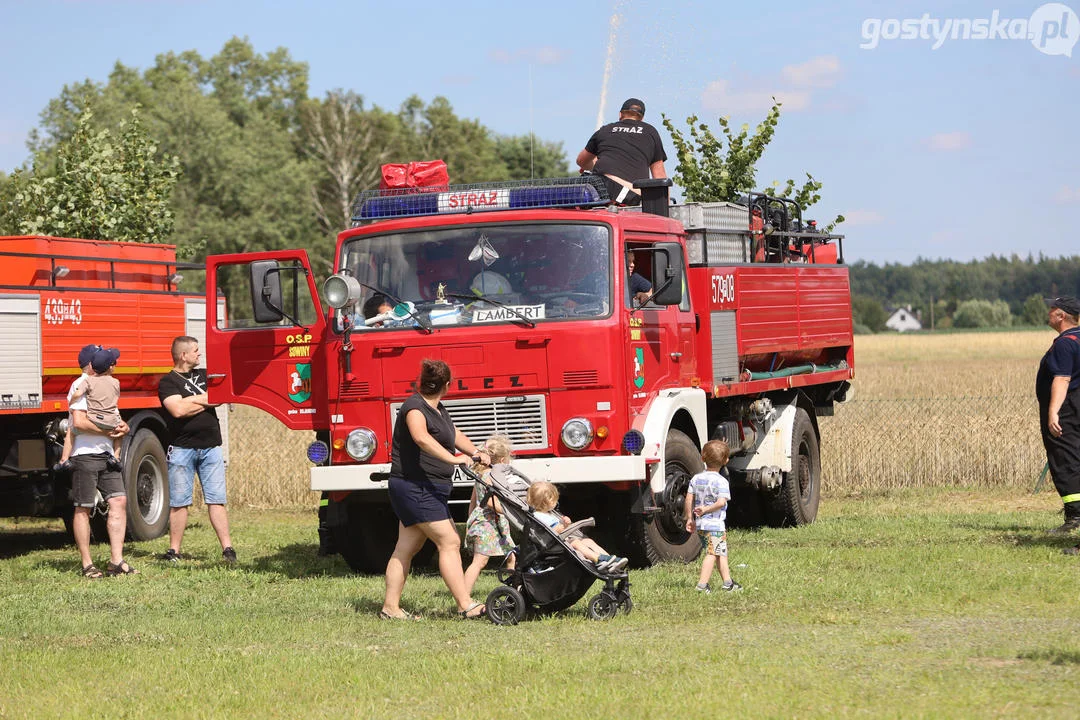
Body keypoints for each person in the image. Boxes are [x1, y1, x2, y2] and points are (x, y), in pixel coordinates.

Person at [380, 358, 491, 620]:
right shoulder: (414, 408)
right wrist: (454, 459)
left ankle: (390, 607)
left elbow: (452, 434)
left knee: (406, 547)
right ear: (448, 385)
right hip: (415, 487)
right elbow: (421, 438)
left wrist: (475, 452)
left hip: (426, 487)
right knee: (450, 542)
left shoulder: (437, 409)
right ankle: (465, 605)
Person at [157, 336, 235, 564]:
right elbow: (178, 411)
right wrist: (205, 400)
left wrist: (191, 400)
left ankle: (228, 548)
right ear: (183, 355)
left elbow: (219, 398)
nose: (199, 355)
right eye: (195, 351)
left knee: (216, 500)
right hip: (182, 449)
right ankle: (174, 551)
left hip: (211, 448)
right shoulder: (168, 382)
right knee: (179, 502)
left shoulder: (205, 375)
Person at [67, 343, 135, 578]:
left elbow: (111, 414)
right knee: (84, 507)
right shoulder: (80, 384)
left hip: (107, 456)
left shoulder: (106, 384)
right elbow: (79, 422)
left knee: (119, 501)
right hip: (84, 455)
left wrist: (123, 426)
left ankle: (116, 561)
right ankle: (87, 564)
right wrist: (108, 431)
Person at [1034, 297, 1080, 541]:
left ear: (1061, 316)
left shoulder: (1065, 343)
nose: (1049, 311)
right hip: (1076, 404)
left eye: (1052, 308)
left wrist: (1053, 411)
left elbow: (1062, 379)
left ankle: (1075, 517)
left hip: (1067, 408)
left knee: (1065, 459)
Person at [576, 97, 667, 206]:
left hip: (603, 192)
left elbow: (581, 161)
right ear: (642, 119)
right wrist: (665, 208)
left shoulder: (605, 130)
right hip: (633, 197)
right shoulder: (650, 132)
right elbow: (660, 176)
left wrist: (594, 164)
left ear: (620, 115)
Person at [526, 481, 628, 572]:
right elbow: (548, 532)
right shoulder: (538, 516)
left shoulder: (549, 513)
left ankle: (610, 559)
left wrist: (565, 523)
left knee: (588, 541)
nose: (556, 503)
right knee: (576, 543)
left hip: (562, 540)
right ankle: (597, 559)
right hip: (551, 545)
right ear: (547, 501)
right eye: (554, 500)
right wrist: (562, 526)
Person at [462, 435, 517, 596]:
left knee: (511, 556)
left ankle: (513, 591)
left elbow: (473, 502)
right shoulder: (490, 477)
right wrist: (509, 509)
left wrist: (469, 521)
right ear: (501, 461)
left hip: (489, 524)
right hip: (486, 525)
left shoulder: (480, 476)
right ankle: (463, 596)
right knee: (479, 561)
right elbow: (489, 503)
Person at [684, 439, 741, 592]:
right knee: (712, 553)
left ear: (703, 458)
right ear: (726, 461)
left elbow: (689, 498)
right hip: (715, 525)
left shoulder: (696, 479)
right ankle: (702, 585)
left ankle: (728, 583)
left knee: (720, 552)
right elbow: (721, 503)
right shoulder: (722, 482)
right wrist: (706, 509)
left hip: (702, 525)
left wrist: (690, 518)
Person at [67, 347, 124, 469]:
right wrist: (111, 431)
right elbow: (79, 422)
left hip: (102, 451)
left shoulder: (88, 382)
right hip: (90, 453)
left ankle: (63, 460)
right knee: (119, 432)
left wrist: (71, 403)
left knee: (70, 431)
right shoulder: (114, 382)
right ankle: (117, 456)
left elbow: (77, 395)